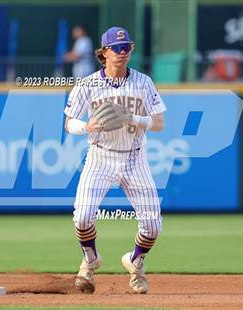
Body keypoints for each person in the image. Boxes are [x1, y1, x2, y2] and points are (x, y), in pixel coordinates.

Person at [64, 26, 166, 294]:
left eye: (127, 47)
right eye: (117, 48)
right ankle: (89, 260)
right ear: (104, 52)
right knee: (83, 217)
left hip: (135, 157)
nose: (122, 52)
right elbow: (69, 123)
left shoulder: (143, 82)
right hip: (100, 156)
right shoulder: (87, 84)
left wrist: (132, 118)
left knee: (153, 225)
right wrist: (88, 127)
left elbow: (158, 123)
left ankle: (136, 262)